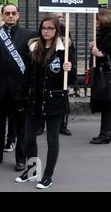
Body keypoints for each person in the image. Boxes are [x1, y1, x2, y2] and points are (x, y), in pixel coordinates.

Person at [15, 15, 75, 189]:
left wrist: (68, 70)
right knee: (28, 137)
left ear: (57, 30)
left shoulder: (64, 51)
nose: (46, 31)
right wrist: (21, 97)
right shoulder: (34, 48)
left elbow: (70, 80)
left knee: (51, 139)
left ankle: (48, 175)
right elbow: (27, 76)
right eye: (44, 28)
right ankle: (32, 170)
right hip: (34, 100)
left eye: (50, 28)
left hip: (54, 101)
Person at [0, 3, 35, 171]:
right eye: (7, 13)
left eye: (13, 13)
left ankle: (20, 159)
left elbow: (34, 58)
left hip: (20, 89)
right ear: (2, 16)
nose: (10, 16)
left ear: (18, 15)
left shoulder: (28, 35)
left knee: (20, 127)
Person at [38, 12, 76, 136]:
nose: (61, 19)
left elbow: (71, 50)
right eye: (58, 17)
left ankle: (62, 125)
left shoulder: (65, 32)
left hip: (60, 76)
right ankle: (40, 125)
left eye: (62, 17)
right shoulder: (40, 41)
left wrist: (70, 67)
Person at [89, 8, 111, 144]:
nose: (94, 21)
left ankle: (105, 134)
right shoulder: (104, 33)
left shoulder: (108, 34)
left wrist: (101, 54)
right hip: (105, 73)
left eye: (96, 18)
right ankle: (106, 133)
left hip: (107, 74)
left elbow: (106, 53)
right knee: (107, 105)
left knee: (107, 105)